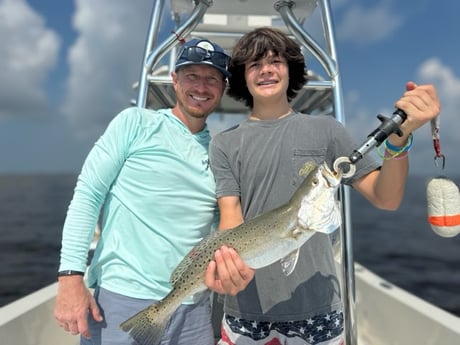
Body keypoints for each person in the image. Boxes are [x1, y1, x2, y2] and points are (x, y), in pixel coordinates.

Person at [209, 27, 440, 345]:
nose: (265, 69)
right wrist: (227, 266)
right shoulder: (225, 143)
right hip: (246, 311)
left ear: (291, 69)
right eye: (253, 64)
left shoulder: (328, 130)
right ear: (242, 76)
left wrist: (398, 142)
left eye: (275, 60)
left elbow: (385, 197)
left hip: (320, 310)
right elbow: (230, 217)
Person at [54, 38, 254, 345]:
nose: (201, 87)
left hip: (193, 309)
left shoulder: (220, 154)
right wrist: (70, 277)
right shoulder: (134, 123)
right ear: (174, 80)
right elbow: (88, 194)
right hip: (120, 300)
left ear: (223, 87)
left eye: (212, 78)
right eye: (192, 76)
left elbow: (221, 230)